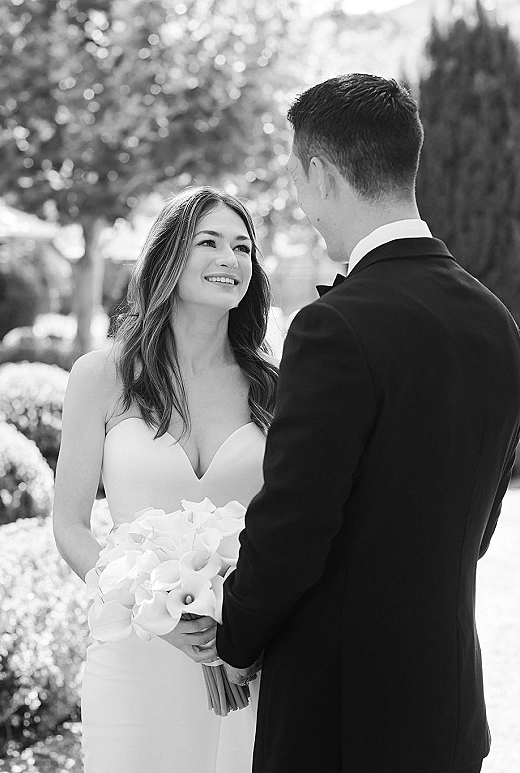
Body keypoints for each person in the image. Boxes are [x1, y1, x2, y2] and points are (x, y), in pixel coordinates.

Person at [216, 73, 520, 773]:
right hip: (448, 711)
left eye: (296, 177)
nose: (301, 204)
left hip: (342, 720)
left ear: (320, 173)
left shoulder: (334, 327)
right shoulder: (496, 321)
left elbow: (294, 522)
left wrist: (236, 637)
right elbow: (477, 530)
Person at [53, 186, 278, 772]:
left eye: (243, 248)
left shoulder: (274, 387)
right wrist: (155, 609)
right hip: (135, 654)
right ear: (168, 256)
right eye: (209, 242)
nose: (231, 260)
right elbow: (71, 523)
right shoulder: (101, 375)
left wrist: (243, 619)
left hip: (245, 660)